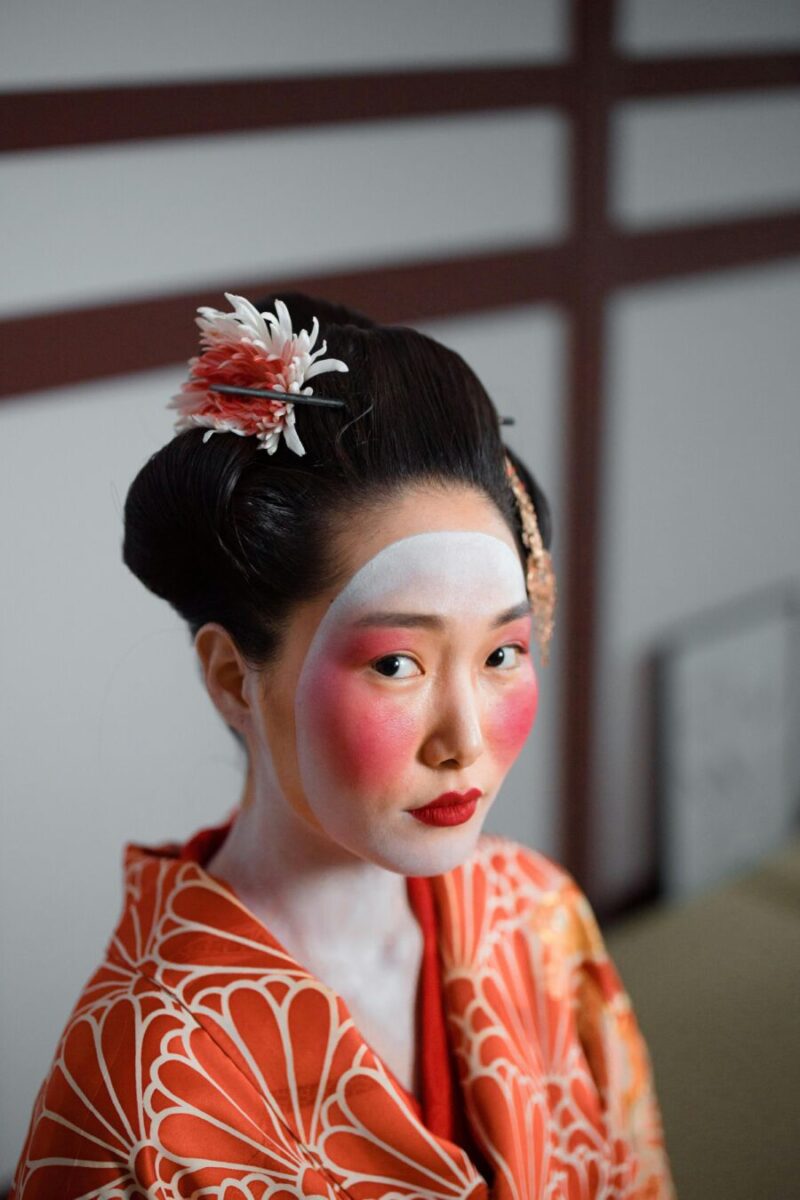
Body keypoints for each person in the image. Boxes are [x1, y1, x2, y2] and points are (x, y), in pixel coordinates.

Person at [11, 292, 673, 1198]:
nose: (465, 740)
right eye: (397, 663)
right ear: (233, 677)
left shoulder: (541, 916)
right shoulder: (138, 1074)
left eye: (502, 654)